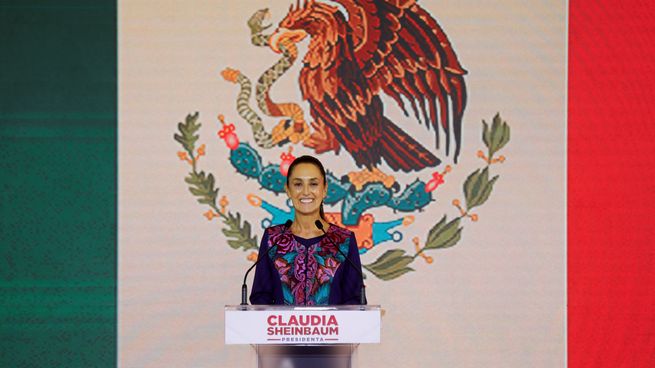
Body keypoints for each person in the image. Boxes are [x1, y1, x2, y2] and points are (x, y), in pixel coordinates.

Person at [249, 155, 365, 305]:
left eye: (313, 184)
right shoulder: (274, 239)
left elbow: (355, 300)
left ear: (324, 190)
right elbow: (260, 298)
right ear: (288, 190)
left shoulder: (343, 240)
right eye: (298, 184)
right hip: (282, 328)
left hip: (332, 329)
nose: (305, 192)